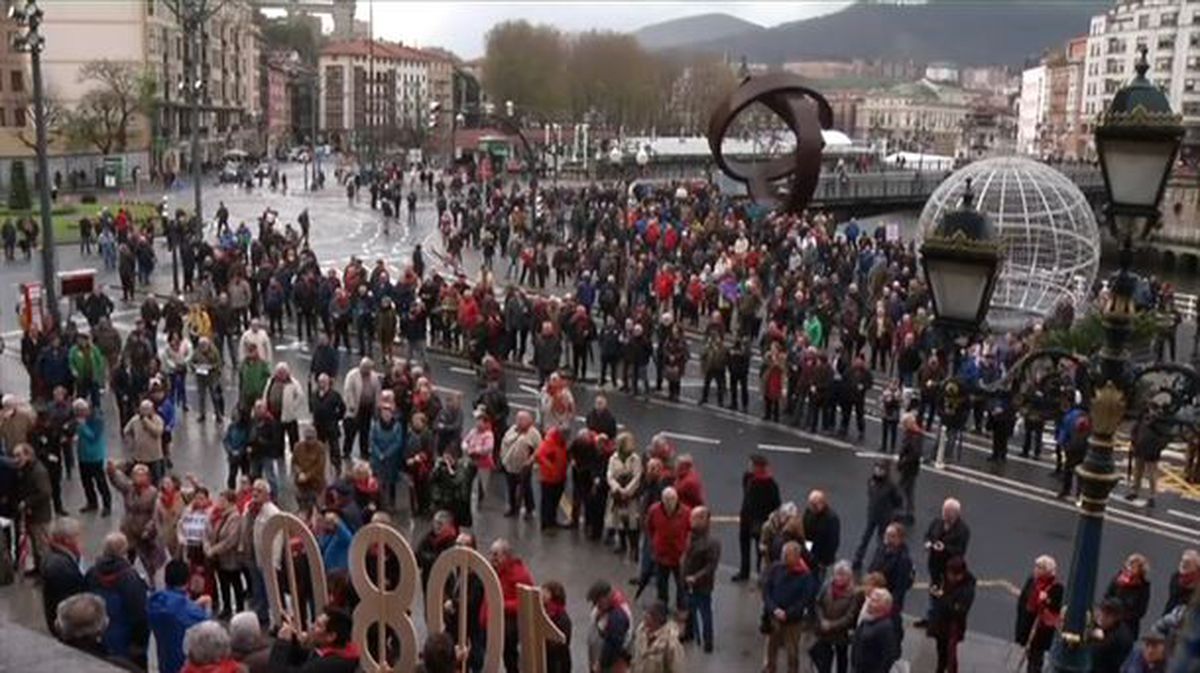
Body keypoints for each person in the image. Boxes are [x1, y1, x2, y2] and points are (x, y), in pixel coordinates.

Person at [84, 532, 149, 666]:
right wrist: (140, 644)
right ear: (123, 551)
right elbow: (140, 613)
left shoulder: (92, 573)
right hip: (126, 639)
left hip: (100, 632)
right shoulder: (130, 578)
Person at [761, 540, 817, 673]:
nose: (784, 558)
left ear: (797, 557)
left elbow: (804, 600)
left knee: (792, 651)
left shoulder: (806, 576)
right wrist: (774, 609)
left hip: (793, 621)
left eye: (787, 555)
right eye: (783, 554)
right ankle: (770, 668)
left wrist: (788, 613)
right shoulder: (776, 568)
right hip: (774, 617)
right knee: (771, 647)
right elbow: (767, 590)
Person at [150, 558, 213, 673]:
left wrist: (192, 604)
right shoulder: (194, 613)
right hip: (184, 666)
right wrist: (207, 608)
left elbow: (175, 611)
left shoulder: (155, 604)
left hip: (164, 662)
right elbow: (207, 633)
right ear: (187, 581)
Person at [268, 606, 359, 673]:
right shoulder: (342, 652)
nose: (312, 627)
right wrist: (292, 638)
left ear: (331, 636)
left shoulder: (327, 665)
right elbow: (305, 656)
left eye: (318, 625)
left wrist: (282, 643)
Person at [733, 454, 780, 582]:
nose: (749, 467)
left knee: (760, 550)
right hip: (747, 517)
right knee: (744, 545)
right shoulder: (748, 477)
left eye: (751, 465)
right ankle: (744, 571)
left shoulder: (770, 484)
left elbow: (776, 504)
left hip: (761, 520)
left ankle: (761, 574)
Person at [490, 538, 534, 673]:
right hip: (498, 620)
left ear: (506, 556)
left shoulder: (520, 575)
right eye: (491, 554)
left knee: (510, 657)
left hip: (512, 623)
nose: (492, 558)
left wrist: (502, 605)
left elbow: (526, 601)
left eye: (495, 555)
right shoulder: (495, 571)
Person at [926, 556, 976, 673]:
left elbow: (959, 610)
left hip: (953, 626)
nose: (948, 576)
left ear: (960, 575)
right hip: (940, 622)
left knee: (950, 654)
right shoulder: (946, 579)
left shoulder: (967, 590)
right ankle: (940, 668)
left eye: (951, 574)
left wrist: (941, 597)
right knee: (940, 649)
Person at [681, 506, 720, 653]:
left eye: (695, 518)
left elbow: (711, 566)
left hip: (702, 585)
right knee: (689, 610)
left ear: (704, 520)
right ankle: (689, 633)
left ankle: (708, 641)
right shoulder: (691, 536)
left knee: (705, 614)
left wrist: (695, 578)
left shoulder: (712, 543)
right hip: (687, 582)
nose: (691, 521)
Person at [1015, 555, 1064, 673]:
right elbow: (1023, 599)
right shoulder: (1032, 580)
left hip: (1041, 628)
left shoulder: (1056, 587)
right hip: (1028, 623)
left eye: (1040, 567)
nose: (1036, 569)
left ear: (1048, 571)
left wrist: (1045, 601)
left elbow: (1055, 608)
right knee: (1030, 654)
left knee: (1036, 658)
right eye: (1036, 566)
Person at [852, 460, 902, 571]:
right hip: (872, 515)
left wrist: (890, 512)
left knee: (881, 541)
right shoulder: (871, 481)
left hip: (884, 518)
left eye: (881, 469)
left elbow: (898, 500)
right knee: (865, 538)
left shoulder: (891, 486)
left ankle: (878, 562)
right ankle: (858, 559)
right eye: (877, 468)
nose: (878, 470)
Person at [646, 486, 691, 611]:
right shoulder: (654, 510)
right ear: (662, 500)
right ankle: (662, 606)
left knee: (681, 583)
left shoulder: (686, 512)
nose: (669, 503)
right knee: (662, 584)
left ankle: (681, 606)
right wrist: (654, 542)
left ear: (677, 499)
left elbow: (690, 531)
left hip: (679, 555)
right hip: (661, 554)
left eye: (672, 499)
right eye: (666, 500)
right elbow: (649, 527)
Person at [40, 516, 86, 635]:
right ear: (67, 540)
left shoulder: (57, 557)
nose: (81, 540)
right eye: (77, 536)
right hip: (67, 625)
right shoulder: (61, 567)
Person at [811, 561, 859, 673]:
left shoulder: (854, 593)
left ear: (849, 577)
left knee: (841, 658)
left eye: (843, 575)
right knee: (822, 658)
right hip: (824, 631)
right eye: (837, 574)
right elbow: (818, 603)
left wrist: (831, 625)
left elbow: (850, 617)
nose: (839, 577)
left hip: (841, 634)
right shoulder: (827, 585)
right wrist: (822, 619)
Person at [12, 442, 53, 569]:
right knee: (35, 545)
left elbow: (45, 492)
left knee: (42, 546)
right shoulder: (25, 470)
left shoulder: (38, 471)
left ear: (28, 455)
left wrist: (27, 502)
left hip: (40, 516)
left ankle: (46, 572)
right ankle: (38, 568)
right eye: (15, 456)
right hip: (32, 515)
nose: (16, 459)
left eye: (19, 455)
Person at [500, 410, 541, 519]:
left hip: (524, 466)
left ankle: (529, 509)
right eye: (518, 419)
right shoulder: (512, 430)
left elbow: (539, 449)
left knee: (526, 488)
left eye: (522, 420)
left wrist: (532, 461)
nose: (519, 422)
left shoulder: (533, 434)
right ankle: (512, 507)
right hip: (510, 464)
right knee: (511, 488)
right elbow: (505, 442)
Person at [923, 498, 971, 589]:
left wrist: (944, 548)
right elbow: (928, 535)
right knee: (934, 584)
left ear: (956, 514)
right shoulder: (937, 522)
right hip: (934, 563)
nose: (945, 513)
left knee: (947, 589)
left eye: (948, 512)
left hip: (949, 566)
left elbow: (960, 550)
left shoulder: (963, 530)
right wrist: (928, 543)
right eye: (944, 510)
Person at [586, 580, 632, 673]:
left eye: (597, 602)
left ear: (605, 597)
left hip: (610, 665)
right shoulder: (604, 608)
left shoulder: (618, 616)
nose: (596, 606)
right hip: (598, 660)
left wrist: (601, 663)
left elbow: (614, 645)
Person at [75, 398, 112, 516]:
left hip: (95, 456)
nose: (79, 414)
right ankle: (92, 502)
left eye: (80, 411)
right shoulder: (79, 419)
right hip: (83, 456)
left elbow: (94, 437)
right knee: (86, 482)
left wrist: (82, 427)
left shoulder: (97, 419)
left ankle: (107, 505)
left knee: (100, 482)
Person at [1105, 553, 1152, 644]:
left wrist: (1123, 616)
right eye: (1129, 564)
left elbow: (1141, 611)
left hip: (1128, 626)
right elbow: (1107, 596)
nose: (1130, 568)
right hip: (1110, 623)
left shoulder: (1143, 587)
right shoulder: (1117, 579)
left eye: (1134, 566)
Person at [851, 588, 899, 673]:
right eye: (871, 599)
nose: (869, 603)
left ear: (884, 606)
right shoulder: (867, 619)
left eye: (874, 601)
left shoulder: (885, 627)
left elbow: (889, 656)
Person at [629, 600, 684, 673]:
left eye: (649, 614)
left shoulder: (671, 643)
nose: (644, 615)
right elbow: (634, 659)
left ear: (658, 618)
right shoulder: (641, 631)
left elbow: (676, 669)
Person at [535, 425, 569, 530]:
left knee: (554, 501)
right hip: (548, 478)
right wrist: (551, 468)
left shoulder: (561, 443)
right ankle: (545, 524)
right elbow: (539, 455)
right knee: (547, 502)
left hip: (560, 477)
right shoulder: (549, 442)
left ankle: (552, 521)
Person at [803, 490, 840, 580]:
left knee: (818, 578)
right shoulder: (809, 512)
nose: (812, 507)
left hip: (822, 556)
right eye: (811, 504)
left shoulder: (832, 519)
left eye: (815, 505)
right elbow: (805, 530)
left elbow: (833, 542)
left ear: (822, 503)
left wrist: (824, 561)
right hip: (810, 550)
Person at [1092, 597, 1136, 673]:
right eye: (1102, 612)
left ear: (1117, 618)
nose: (1102, 617)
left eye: (1108, 615)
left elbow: (1096, 656)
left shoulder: (1121, 637)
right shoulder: (1102, 627)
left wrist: (1094, 637)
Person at [542, 581, 572, 673]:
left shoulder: (561, 617)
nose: (541, 593)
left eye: (545, 592)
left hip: (557, 662)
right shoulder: (544, 611)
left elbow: (560, 643)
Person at [1164, 549, 1200, 614]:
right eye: (1182, 561)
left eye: (1188, 563)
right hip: (1171, 613)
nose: (1183, 564)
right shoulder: (1176, 577)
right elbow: (1175, 595)